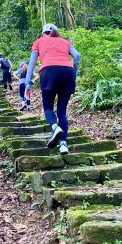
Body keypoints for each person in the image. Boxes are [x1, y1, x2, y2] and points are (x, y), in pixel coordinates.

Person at [25, 23, 80, 155]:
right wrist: (74, 72)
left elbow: (32, 63)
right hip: (68, 72)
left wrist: (28, 83)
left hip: (48, 71)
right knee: (62, 111)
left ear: (43, 33)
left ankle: (55, 127)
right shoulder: (65, 42)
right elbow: (77, 56)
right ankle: (63, 145)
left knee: (48, 108)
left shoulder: (38, 42)